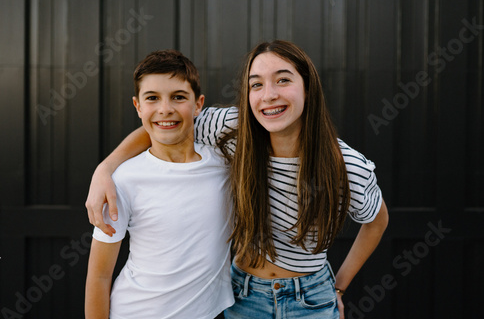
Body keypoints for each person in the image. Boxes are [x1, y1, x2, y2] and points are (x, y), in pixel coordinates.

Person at [86, 40, 389, 318]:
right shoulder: (232, 128)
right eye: (256, 85)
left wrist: (340, 286)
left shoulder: (345, 164)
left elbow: (376, 221)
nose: (269, 95)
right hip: (244, 297)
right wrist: (106, 167)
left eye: (283, 80)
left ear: (307, 87)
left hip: (311, 300)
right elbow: (166, 125)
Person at [85, 50, 234, 319]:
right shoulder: (123, 179)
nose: (165, 109)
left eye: (178, 97)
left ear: (198, 104)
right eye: (152, 98)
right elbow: (99, 275)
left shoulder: (225, 165)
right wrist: (105, 168)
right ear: (138, 106)